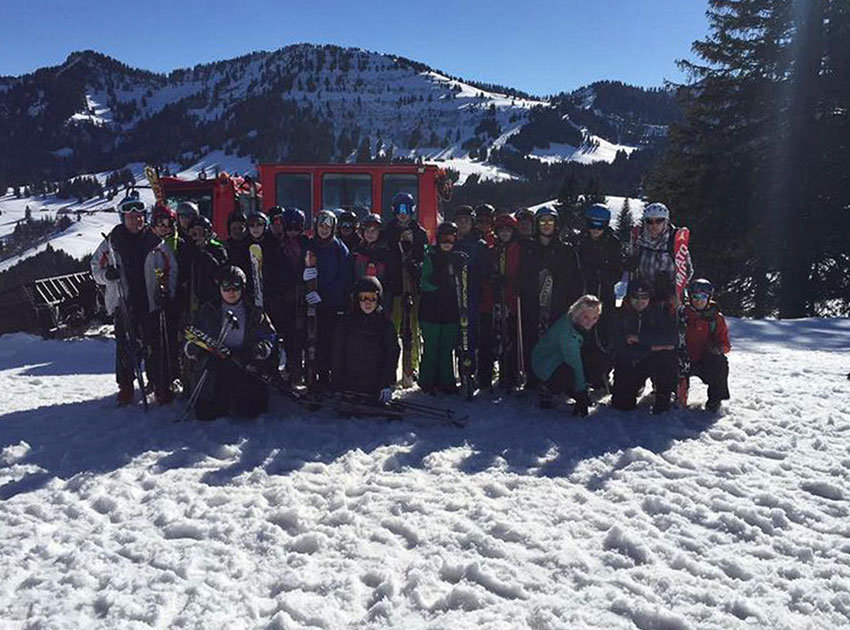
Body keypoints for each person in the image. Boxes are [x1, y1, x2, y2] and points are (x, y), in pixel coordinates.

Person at [91, 193, 178, 406]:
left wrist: (168, 291)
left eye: (139, 216)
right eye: (130, 217)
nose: (135, 220)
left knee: (155, 346)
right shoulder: (111, 242)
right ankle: (126, 387)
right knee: (126, 347)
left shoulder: (155, 241)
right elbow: (95, 268)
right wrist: (107, 276)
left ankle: (159, 385)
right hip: (123, 301)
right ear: (123, 218)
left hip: (150, 300)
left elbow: (171, 268)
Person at [184, 265, 276, 420]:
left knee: (252, 411)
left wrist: (262, 348)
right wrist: (193, 348)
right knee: (208, 413)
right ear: (219, 288)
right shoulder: (208, 309)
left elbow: (268, 335)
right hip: (216, 363)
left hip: (244, 360)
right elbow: (192, 335)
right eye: (226, 287)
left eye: (236, 287)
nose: (231, 292)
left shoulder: (254, 311)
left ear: (243, 287)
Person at [520, 206, 582, 385]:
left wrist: (573, 306)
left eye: (550, 221)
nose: (546, 225)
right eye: (542, 221)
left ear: (556, 224)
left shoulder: (566, 250)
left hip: (558, 305)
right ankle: (533, 378)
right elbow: (522, 276)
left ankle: (554, 381)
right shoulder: (530, 249)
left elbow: (576, 280)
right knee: (533, 340)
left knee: (555, 343)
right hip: (534, 305)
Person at [571, 203, 624, 388]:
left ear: (606, 225)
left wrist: (607, 276)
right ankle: (583, 372)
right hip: (582, 293)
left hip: (603, 294)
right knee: (582, 332)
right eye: (592, 225)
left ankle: (601, 373)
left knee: (602, 333)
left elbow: (618, 270)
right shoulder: (579, 241)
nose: (595, 230)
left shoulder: (613, 243)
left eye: (599, 226)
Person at [610, 280, 678, 413]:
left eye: (644, 297)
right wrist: (653, 347)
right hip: (629, 363)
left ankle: (663, 395)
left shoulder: (658, 312)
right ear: (629, 297)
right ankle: (634, 388)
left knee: (666, 357)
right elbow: (620, 348)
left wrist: (640, 339)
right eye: (636, 297)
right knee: (622, 405)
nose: (640, 301)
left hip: (652, 361)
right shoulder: (619, 315)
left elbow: (672, 339)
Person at [331, 276, 400, 402]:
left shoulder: (385, 325)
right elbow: (337, 352)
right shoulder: (346, 322)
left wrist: (386, 383)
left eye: (372, 298)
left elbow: (392, 354)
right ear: (357, 299)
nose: (367, 303)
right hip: (350, 385)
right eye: (363, 298)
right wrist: (337, 382)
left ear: (378, 299)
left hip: (375, 386)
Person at [418, 222, 468, 394]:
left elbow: (465, 281)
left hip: (451, 310)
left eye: (450, 238)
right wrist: (440, 280)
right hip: (431, 310)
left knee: (447, 348)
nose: (447, 242)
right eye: (443, 238)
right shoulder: (430, 255)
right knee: (431, 347)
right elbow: (424, 282)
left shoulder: (459, 256)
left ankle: (446, 381)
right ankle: (427, 381)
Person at [305, 210, 353, 388]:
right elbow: (303, 270)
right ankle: (318, 374)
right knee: (315, 342)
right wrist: (307, 290)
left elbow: (345, 276)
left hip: (333, 303)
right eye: (321, 226)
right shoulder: (311, 245)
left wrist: (328, 295)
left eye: (327, 227)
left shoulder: (339, 248)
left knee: (334, 340)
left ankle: (335, 376)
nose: (324, 230)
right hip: (313, 303)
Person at [384, 192, 427, 386]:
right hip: (394, 286)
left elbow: (424, 258)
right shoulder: (388, 231)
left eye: (407, 210)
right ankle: (390, 366)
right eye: (399, 210)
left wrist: (415, 265)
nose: (403, 214)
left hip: (413, 286)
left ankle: (411, 366)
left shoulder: (419, 232)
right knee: (393, 327)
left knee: (412, 327)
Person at [531, 295, 601, 414]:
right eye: (586, 317)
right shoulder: (567, 332)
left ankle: (579, 387)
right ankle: (547, 388)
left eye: (594, 318)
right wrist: (580, 393)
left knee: (596, 359)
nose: (590, 322)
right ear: (577, 313)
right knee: (567, 374)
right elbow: (574, 362)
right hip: (545, 364)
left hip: (561, 358)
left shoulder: (578, 324)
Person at [482, 212, 526, 390]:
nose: (505, 233)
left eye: (508, 230)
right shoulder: (493, 249)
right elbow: (486, 273)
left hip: (513, 301)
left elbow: (525, 273)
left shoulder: (519, 249)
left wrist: (514, 283)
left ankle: (512, 375)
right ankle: (495, 373)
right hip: (496, 301)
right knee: (497, 337)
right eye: (501, 230)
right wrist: (492, 280)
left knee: (512, 340)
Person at [626, 202, 693, 306]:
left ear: (665, 222)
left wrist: (676, 292)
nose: (654, 225)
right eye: (649, 221)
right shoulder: (639, 241)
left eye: (659, 221)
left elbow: (687, 270)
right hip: (643, 296)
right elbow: (631, 265)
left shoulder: (674, 242)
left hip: (668, 297)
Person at [271, 208, 309, 383]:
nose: (293, 232)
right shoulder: (278, 246)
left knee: (305, 334)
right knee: (288, 333)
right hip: (285, 297)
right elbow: (275, 272)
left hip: (305, 296)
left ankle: (302, 367)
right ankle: (291, 366)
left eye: (296, 228)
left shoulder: (307, 244)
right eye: (289, 228)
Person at [683, 278, 731, 411]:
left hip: (705, 360)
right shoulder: (682, 313)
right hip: (683, 358)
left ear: (709, 298)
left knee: (720, 362)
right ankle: (672, 394)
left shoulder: (715, 317)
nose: (699, 300)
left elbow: (725, 344)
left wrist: (718, 348)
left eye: (703, 297)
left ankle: (715, 399)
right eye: (695, 296)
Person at [353, 214, 394, 309]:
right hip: (361, 298)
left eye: (374, 231)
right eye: (367, 230)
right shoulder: (357, 251)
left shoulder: (387, 253)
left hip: (382, 299)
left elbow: (391, 279)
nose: (369, 233)